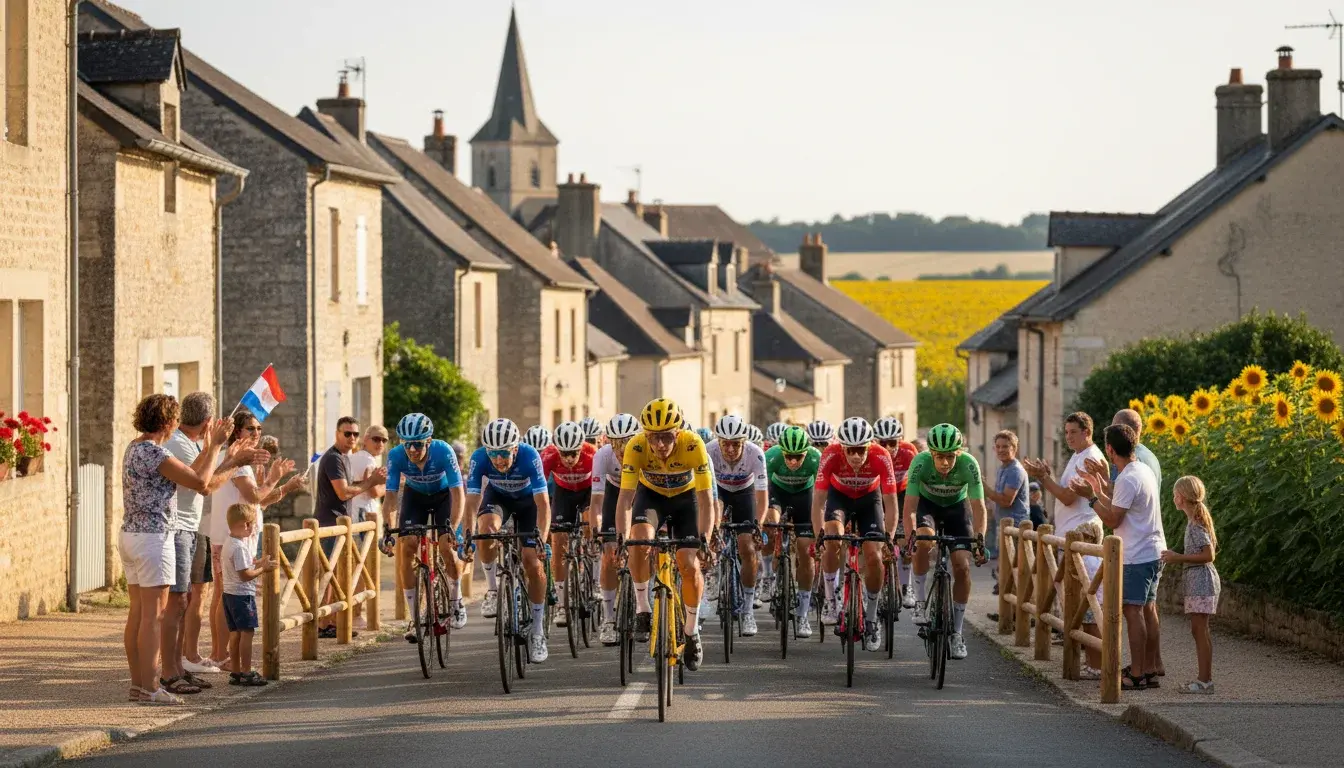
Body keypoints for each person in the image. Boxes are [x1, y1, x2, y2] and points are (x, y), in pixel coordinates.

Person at [121, 394, 235, 705]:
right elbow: (200, 481)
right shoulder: (155, 453)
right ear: (169, 422)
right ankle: (150, 687)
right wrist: (214, 446)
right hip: (154, 539)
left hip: (131, 535)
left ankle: (138, 685)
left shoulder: (135, 448)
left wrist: (211, 449)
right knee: (154, 617)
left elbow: (190, 473)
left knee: (138, 614)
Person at [166, 392, 265, 687]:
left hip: (200, 530)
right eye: (252, 429)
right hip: (198, 530)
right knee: (188, 600)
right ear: (209, 422)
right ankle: (184, 663)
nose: (257, 433)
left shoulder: (196, 444)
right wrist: (231, 457)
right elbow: (205, 485)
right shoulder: (181, 445)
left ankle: (186, 662)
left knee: (193, 598)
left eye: (259, 429)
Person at [615, 398, 713, 671]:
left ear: (678, 434)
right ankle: (643, 608)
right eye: (654, 438)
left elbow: (706, 499)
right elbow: (625, 500)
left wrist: (704, 536)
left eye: (667, 437)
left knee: (689, 564)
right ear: (646, 435)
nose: (660, 444)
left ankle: (692, 632)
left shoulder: (693, 445)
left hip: (686, 501)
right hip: (652, 499)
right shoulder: (635, 447)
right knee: (639, 541)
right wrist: (623, 538)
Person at [1070, 423, 1166, 691]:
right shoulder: (1141, 470)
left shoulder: (1128, 478)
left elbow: (1112, 517)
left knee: (1132, 612)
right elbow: (1117, 499)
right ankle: (1148, 668)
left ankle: (1137, 674)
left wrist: (1090, 498)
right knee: (1147, 609)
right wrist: (1098, 486)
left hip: (1137, 555)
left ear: (1110, 450)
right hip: (1153, 550)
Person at [464, 418, 553, 663]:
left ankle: (537, 631)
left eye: (503, 453)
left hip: (528, 505)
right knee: (486, 530)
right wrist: (467, 535)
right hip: (498, 498)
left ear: (514, 448)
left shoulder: (529, 456)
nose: (499, 460)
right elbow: (471, 501)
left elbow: (543, 503)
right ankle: (493, 590)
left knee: (532, 563)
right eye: (493, 454)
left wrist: (542, 539)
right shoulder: (479, 457)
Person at [902, 423, 989, 661]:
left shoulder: (969, 464)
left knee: (962, 566)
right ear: (931, 453)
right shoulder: (920, 462)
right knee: (923, 541)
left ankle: (957, 633)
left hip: (957, 511)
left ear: (958, 453)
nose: (945, 463)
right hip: (928, 508)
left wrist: (979, 540)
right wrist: (911, 536)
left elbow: (979, 509)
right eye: (939, 457)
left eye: (950, 457)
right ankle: (920, 601)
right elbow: (909, 507)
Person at [378, 413, 467, 639]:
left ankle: (456, 599)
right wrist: (387, 530)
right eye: (407, 444)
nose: (412, 450)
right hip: (415, 496)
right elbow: (390, 497)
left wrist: (452, 527)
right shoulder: (397, 455)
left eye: (418, 444)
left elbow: (458, 494)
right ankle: (415, 618)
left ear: (428, 441)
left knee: (447, 546)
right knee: (406, 546)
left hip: (443, 496)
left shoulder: (443, 451)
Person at [814, 417, 900, 653]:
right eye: (850, 450)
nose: (855, 456)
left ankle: (871, 619)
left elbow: (891, 503)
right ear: (842, 447)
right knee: (833, 538)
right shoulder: (830, 454)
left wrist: (889, 538)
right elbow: (819, 502)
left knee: (874, 556)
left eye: (860, 450)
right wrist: (818, 535)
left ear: (869, 446)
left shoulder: (881, 455)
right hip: (839, 498)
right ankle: (832, 602)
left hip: (868, 501)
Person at [313, 416, 387, 637]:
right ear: (337, 434)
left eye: (355, 434)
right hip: (329, 523)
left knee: (336, 575)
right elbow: (343, 492)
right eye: (347, 434)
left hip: (340, 522)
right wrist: (371, 483)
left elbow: (349, 487)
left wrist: (367, 483)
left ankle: (330, 622)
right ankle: (321, 625)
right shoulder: (334, 458)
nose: (351, 438)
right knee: (328, 575)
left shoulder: (345, 457)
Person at [706, 414, 769, 636]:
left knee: (747, 547)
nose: (731, 449)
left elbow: (762, 497)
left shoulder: (755, 454)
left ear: (744, 442)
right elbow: (708, 496)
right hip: (719, 492)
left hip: (745, 493)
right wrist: (712, 526)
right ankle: (710, 581)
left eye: (736, 444)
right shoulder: (709, 451)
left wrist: (757, 526)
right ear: (719, 442)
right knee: (709, 533)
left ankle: (748, 609)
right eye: (726, 444)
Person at [1161, 476, 1219, 694]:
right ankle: (1204, 679)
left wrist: (1178, 557)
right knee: (1199, 630)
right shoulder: (1194, 521)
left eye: (1176, 494)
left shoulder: (1196, 524)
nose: (1174, 498)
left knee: (1200, 630)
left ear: (1182, 497)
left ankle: (1205, 681)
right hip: (1198, 581)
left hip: (1202, 581)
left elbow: (1208, 554)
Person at [764, 425, 821, 638]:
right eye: (789, 456)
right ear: (782, 451)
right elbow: (759, 491)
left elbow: (823, 496)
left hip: (805, 497)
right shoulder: (772, 456)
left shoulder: (816, 458)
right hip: (778, 494)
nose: (793, 462)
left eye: (798, 457)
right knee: (770, 523)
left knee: (806, 553)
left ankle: (803, 613)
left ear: (806, 452)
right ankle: (768, 575)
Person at [591, 413, 641, 645]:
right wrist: (596, 530)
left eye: (627, 442)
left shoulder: (644, 451)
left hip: (642, 493)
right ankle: (609, 619)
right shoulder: (602, 456)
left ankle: (644, 604)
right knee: (610, 553)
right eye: (616, 443)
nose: (621, 449)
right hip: (614, 494)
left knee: (645, 545)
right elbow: (597, 501)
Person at [541, 421, 596, 628]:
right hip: (564, 494)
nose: (569, 458)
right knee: (558, 544)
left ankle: (592, 559)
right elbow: (539, 490)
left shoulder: (592, 454)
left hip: (588, 493)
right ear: (557, 449)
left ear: (581, 448)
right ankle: (563, 606)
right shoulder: (549, 455)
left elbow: (602, 490)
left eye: (574, 453)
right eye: (565, 453)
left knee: (590, 520)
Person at [220, 503, 276, 686]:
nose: (253, 529)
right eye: (252, 524)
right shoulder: (239, 548)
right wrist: (264, 569)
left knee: (235, 633)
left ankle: (236, 671)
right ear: (245, 524)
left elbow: (244, 565)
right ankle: (246, 670)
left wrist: (259, 562)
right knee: (247, 633)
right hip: (242, 596)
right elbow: (245, 575)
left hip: (229, 594)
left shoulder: (229, 543)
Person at [1024, 412, 1106, 536]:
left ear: (1087, 433)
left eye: (1073, 432)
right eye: (1066, 432)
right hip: (1070, 533)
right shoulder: (1078, 454)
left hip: (1082, 536)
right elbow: (1063, 491)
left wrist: (1043, 477)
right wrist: (1047, 476)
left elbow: (1068, 498)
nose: (1068, 436)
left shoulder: (1090, 458)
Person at [873, 416, 918, 608]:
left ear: (900, 440)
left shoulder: (909, 452)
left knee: (905, 539)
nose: (888, 447)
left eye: (892, 442)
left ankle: (906, 585)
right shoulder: (873, 453)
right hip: (879, 494)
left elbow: (918, 484)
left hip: (902, 494)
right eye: (883, 442)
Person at [982, 430, 1029, 562]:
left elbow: (1006, 501)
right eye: (998, 447)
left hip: (1016, 528)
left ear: (1014, 448)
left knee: (1013, 570)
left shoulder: (1015, 470)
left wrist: (985, 488)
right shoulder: (1003, 468)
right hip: (1004, 526)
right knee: (1004, 570)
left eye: (1005, 446)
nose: (1001, 450)